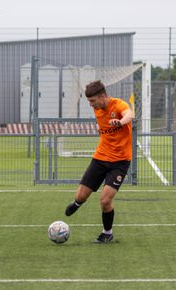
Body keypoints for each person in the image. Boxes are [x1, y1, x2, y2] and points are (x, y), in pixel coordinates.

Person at [65, 80, 133, 243]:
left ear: (103, 96)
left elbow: (129, 114)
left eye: (93, 101)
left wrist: (120, 122)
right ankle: (77, 203)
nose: (91, 105)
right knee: (81, 196)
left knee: (105, 199)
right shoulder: (98, 109)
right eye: (89, 101)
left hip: (120, 162)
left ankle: (107, 233)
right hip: (100, 158)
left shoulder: (118, 105)